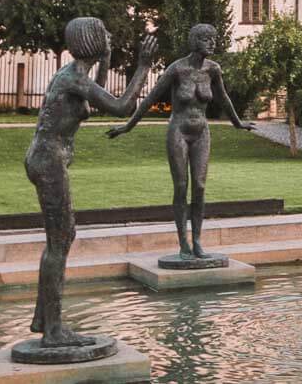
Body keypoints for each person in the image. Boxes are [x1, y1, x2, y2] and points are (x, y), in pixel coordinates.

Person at [22, 17, 156, 353]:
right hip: (48, 160)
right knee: (60, 239)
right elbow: (121, 106)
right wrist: (142, 67)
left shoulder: (76, 75)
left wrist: (107, 60)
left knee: (62, 237)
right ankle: (53, 330)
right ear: (91, 40)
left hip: (49, 158)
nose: (110, 34)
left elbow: (93, 98)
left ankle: (45, 320)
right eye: (104, 33)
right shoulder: (73, 78)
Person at [107, 23, 253, 262]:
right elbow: (150, 98)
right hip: (179, 130)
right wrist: (127, 126)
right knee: (182, 186)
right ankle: (183, 242)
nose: (213, 43)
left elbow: (224, 99)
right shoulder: (177, 69)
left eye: (213, 38)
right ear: (195, 41)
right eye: (207, 39)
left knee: (200, 186)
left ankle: (197, 240)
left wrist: (238, 123)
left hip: (201, 130)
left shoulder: (213, 69)